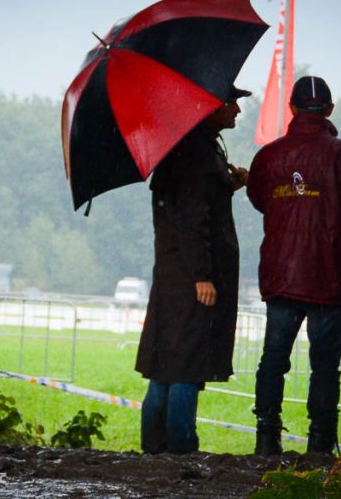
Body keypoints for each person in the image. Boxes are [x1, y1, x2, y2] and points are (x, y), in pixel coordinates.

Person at [246, 76, 341, 456]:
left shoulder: (268, 157)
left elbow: (261, 199)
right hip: (329, 277)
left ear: (290, 109)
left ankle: (266, 437)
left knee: (273, 360)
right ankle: (321, 444)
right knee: (325, 367)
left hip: (281, 276)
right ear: (330, 109)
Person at [134, 86, 250, 454]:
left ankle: (153, 445)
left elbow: (192, 205)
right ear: (212, 106)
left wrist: (230, 184)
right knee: (186, 364)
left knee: (166, 362)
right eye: (231, 103)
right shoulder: (200, 154)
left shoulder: (183, 148)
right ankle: (181, 445)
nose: (236, 111)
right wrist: (203, 275)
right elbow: (193, 219)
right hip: (191, 278)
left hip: (172, 274)